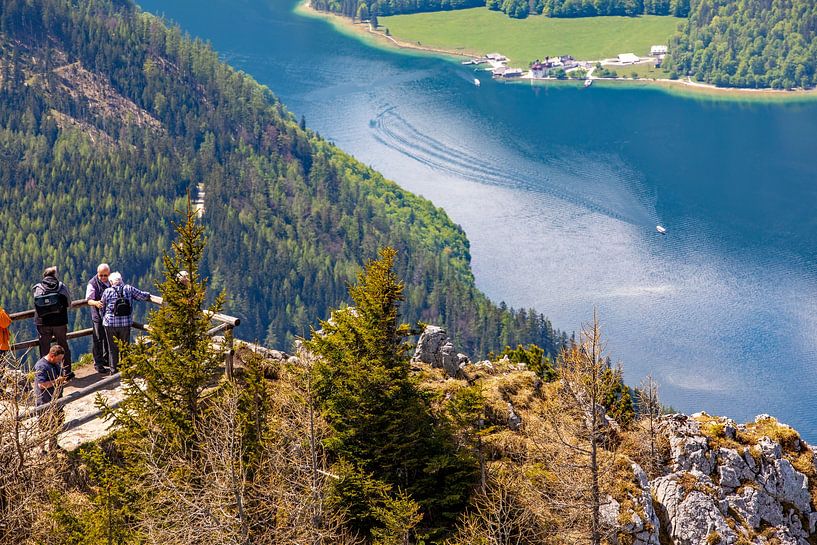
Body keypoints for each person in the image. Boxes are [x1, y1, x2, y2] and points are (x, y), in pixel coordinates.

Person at [100, 272, 151, 373]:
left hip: (110, 324)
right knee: (125, 346)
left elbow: (102, 306)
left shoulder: (107, 291)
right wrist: (148, 294)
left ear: (111, 282)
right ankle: (126, 369)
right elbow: (142, 296)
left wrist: (104, 318)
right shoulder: (128, 288)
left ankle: (114, 371)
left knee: (112, 348)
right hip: (125, 323)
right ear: (121, 280)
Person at [32, 266, 73, 379]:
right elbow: (69, 303)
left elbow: (36, 304)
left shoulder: (38, 287)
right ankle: (67, 372)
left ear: (44, 276)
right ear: (55, 275)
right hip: (59, 322)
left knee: (44, 348)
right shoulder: (61, 287)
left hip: (42, 322)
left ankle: (46, 375)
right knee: (63, 346)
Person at [85, 263, 111, 374]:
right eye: (101, 275)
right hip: (98, 316)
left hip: (110, 316)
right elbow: (88, 300)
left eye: (105, 275)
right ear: (98, 273)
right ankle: (98, 364)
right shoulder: (92, 283)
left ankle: (107, 360)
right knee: (98, 339)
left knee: (108, 338)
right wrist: (96, 303)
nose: (104, 278)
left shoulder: (112, 280)